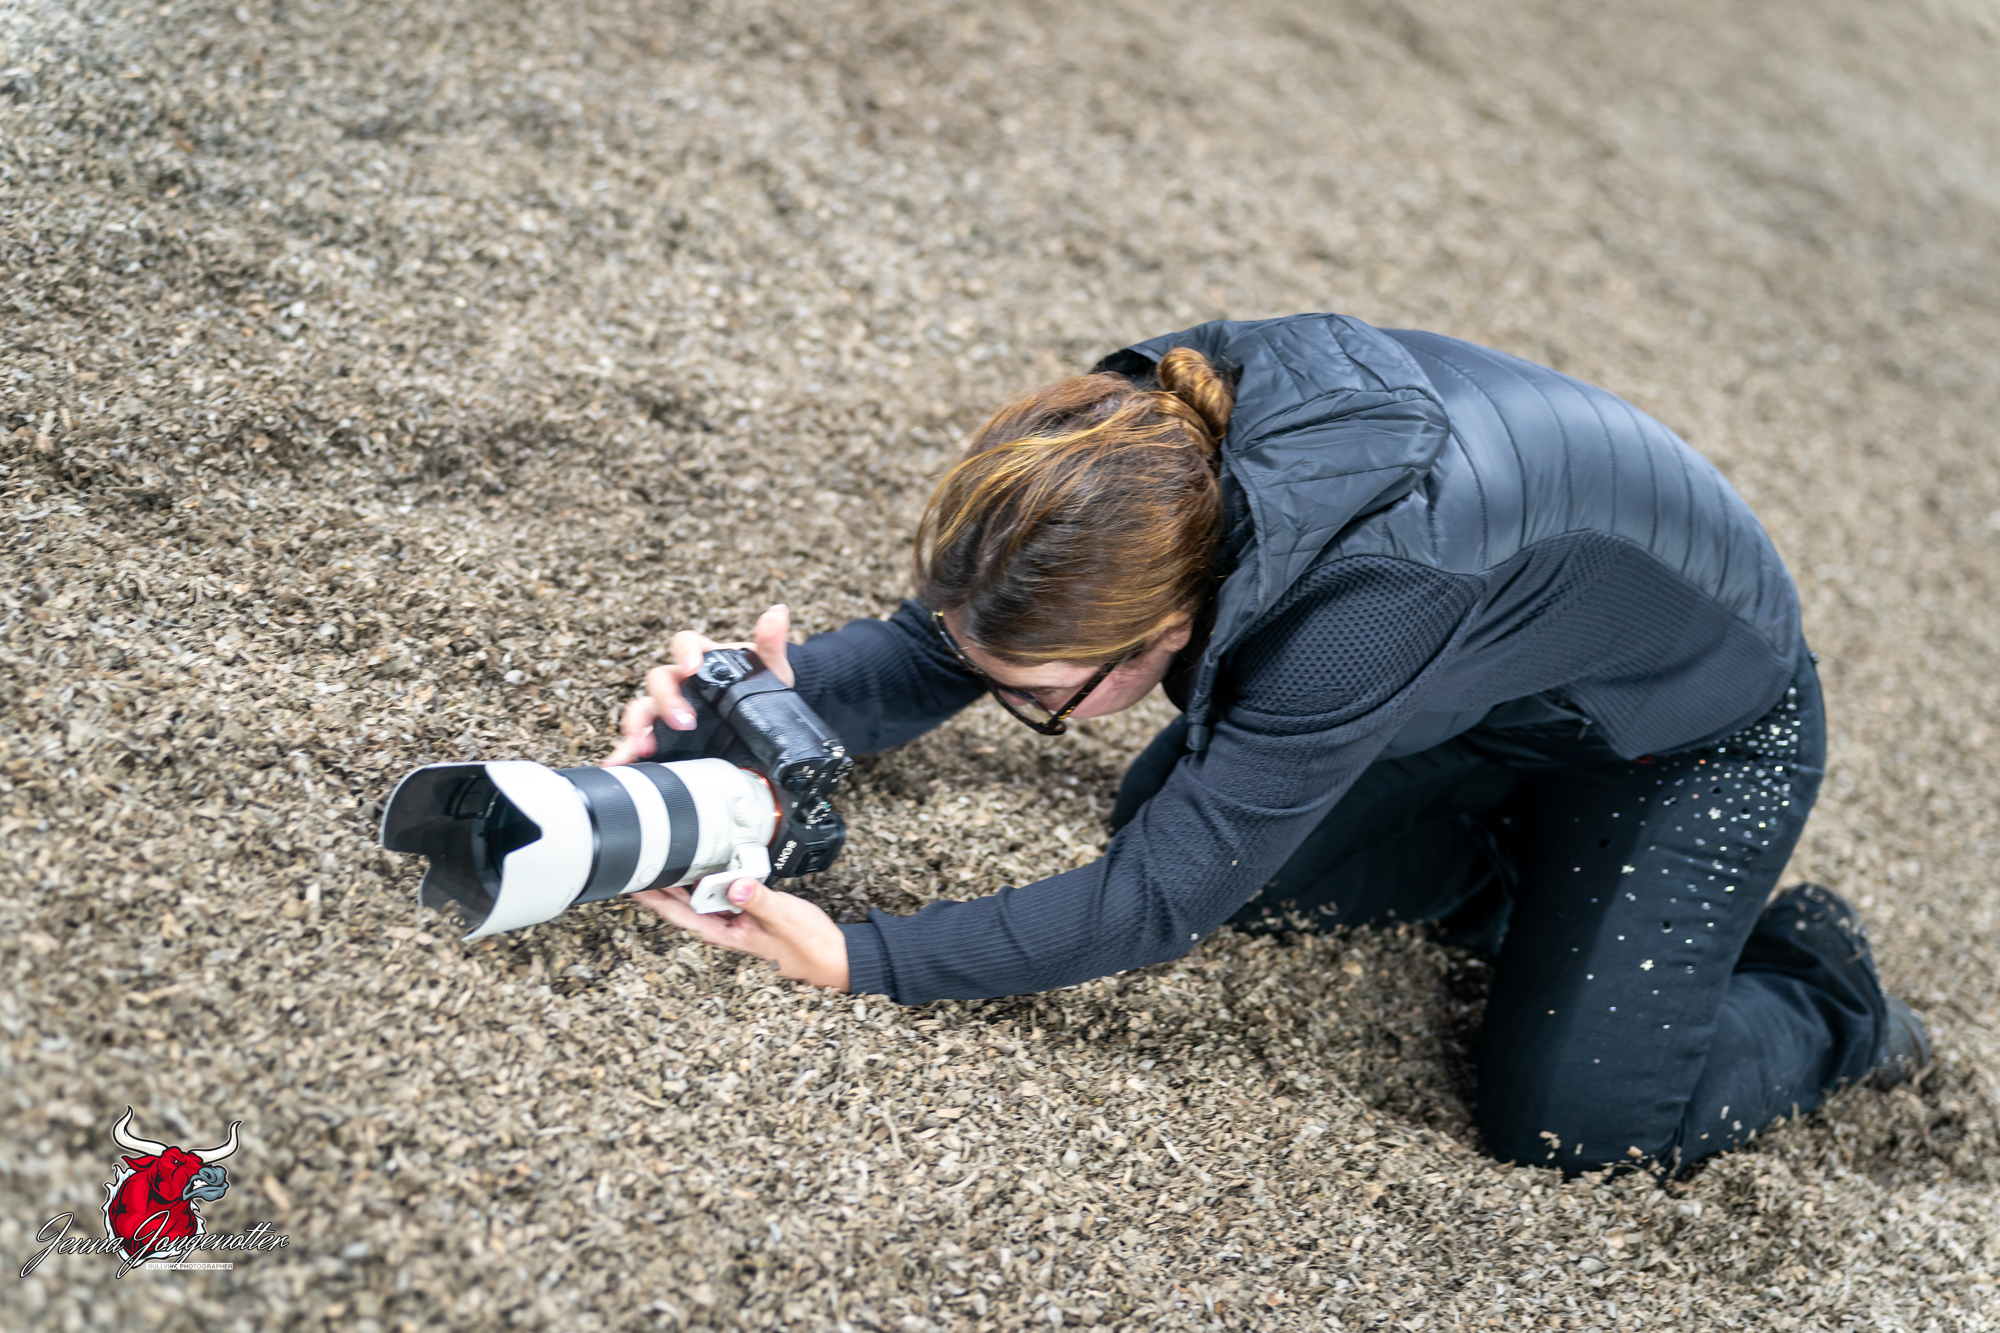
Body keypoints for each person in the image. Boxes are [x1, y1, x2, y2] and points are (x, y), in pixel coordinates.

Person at [605, 313, 1928, 1173]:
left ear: (1169, 627)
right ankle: (1532, 889)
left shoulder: (1366, 599)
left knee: (1576, 1128)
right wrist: (766, 702)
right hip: (1500, 691)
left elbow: (1156, 905)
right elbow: (957, 640)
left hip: (1692, 742)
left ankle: (1826, 990)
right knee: (1209, 833)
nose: (1008, 693)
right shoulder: (1134, 437)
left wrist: (863, 957)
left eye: (1041, 699)